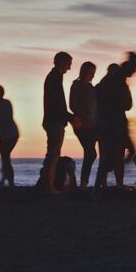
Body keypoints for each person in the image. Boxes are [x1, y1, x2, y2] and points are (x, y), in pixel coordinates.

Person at [93, 52, 136, 193]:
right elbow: (127, 104)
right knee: (117, 154)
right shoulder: (117, 80)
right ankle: (98, 188)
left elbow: (126, 104)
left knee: (113, 155)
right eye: (135, 68)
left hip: (111, 123)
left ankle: (99, 187)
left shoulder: (107, 83)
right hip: (112, 123)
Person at [42, 51, 77, 194]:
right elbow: (58, 104)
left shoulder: (55, 77)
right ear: (62, 62)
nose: (69, 68)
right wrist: (70, 117)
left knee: (53, 153)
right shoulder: (54, 78)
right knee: (54, 154)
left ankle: (47, 185)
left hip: (54, 120)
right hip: (54, 121)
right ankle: (49, 187)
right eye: (69, 64)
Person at [69, 61, 98, 188]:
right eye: (90, 72)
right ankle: (83, 182)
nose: (92, 75)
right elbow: (73, 104)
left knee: (90, 153)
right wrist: (81, 117)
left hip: (93, 124)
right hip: (81, 124)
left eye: (93, 73)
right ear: (84, 71)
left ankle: (84, 182)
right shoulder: (77, 85)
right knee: (91, 153)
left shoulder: (92, 88)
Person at [0, 84, 19, 187]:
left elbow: (7, 118)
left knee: (6, 157)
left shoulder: (6, 103)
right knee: (5, 157)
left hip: (12, 134)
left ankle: (10, 182)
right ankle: (4, 179)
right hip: (3, 134)